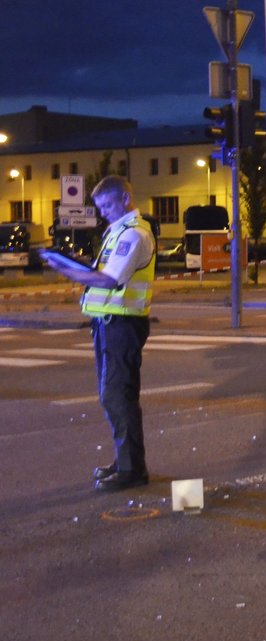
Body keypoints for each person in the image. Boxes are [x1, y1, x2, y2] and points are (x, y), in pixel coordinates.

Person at [44, 176, 157, 492]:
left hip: (122, 325)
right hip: (110, 325)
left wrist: (65, 268)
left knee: (117, 396)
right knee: (115, 396)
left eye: (107, 205)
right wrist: (70, 263)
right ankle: (126, 462)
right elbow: (100, 274)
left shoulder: (133, 235)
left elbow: (108, 280)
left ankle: (132, 470)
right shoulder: (118, 233)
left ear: (124, 198)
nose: (104, 212)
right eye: (100, 207)